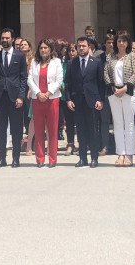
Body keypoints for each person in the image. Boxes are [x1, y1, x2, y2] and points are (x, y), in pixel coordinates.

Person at [0, 28, 28, 168]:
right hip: (0, 98)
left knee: (16, 130)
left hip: (15, 98)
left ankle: (16, 158)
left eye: (7, 38)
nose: (4, 40)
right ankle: (2, 158)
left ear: (12, 39)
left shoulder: (19, 56)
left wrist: (21, 97)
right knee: (1, 129)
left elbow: (23, 78)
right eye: (3, 38)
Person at [65, 36, 105, 168]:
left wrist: (101, 99)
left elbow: (101, 83)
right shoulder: (72, 63)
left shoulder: (96, 62)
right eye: (79, 46)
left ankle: (94, 158)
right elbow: (68, 83)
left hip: (92, 101)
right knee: (80, 131)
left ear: (89, 47)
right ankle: (82, 158)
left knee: (93, 131)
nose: (81, 48)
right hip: (77, 102)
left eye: (84, 46)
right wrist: (68, 99)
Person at [104, 32, 135, 167]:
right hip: (114, 92)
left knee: (129, 122)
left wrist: (125, 88)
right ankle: (120, 153)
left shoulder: (132, 56)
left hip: (128, 91)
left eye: (124, 41)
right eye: (119, 41)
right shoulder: (110, 56)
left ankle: (129, 153)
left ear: (128, 43)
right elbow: (106, 73)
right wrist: (113, 88)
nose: (121, 43)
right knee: (117, 123)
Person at [29, 39, 64, 167]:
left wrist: (48, 93)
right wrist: (38, 93)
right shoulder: (34, 62)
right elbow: (30, 79)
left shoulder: (56, 62)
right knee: (38, 130)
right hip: (37, 99)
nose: (43, 50)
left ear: (50, 49)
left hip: (52, 99)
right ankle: (40, 158)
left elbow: (59, 80)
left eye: (46, 48)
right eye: (41, 48)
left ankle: (52, 159)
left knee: (52, 130)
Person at [98, 34, 116, 156]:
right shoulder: (99, 58)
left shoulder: (119, 57)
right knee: (104, 122)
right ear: (104, 44)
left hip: (117, 93)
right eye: (108, 42)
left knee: (117, 121)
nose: (111, 45)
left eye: (112, 42)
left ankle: (118, 146)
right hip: (104, 93)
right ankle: (105, 146)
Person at [60, 40, 78, 155]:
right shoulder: (63, 65)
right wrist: (62, 85)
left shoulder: (80, 64)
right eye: (70, 51)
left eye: (73, 50)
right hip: (65, 97)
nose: (71, 53)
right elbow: (60, 78)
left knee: (80, 122)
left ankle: (82, 143)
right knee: (69, 122)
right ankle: (70, 144)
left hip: (78, 97)